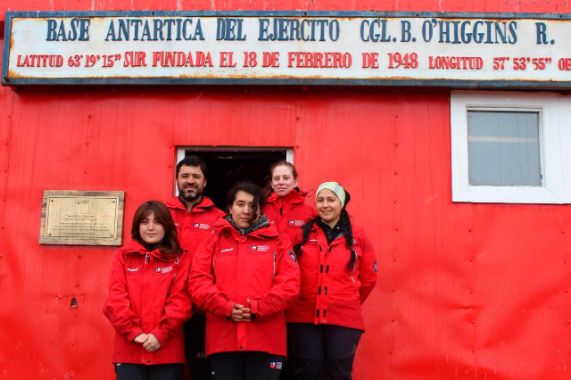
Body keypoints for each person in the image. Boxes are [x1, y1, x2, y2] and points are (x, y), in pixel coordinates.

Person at [190, 182, 300, 380]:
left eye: (252, 205)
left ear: (260, 208)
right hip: (223, 339)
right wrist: (225, 307)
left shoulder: (279, 241)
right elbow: (198, 281)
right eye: (241, 204)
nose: (246, 210)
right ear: (230, 207)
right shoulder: (213, 240)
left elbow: (290, 284)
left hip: (266, 340)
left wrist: (258, 308)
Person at [286, 182, 377, 380]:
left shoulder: (358, 236)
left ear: (341, 204)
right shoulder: (302, 234)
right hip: (303, 317)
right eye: (320, 200)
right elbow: (287, 272)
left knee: (339, 373)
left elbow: (369, 277)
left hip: (344, 317)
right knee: (308, 371)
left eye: (330, 200)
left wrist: (346, 300)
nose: (325, 205)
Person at [103, 201, 192, 380]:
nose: (150, 227)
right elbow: (115, 299)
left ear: (166, 226)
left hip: (167, 351)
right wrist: (134, 333)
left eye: (157, 222)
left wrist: (160, 335)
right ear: (137, 226)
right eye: (144, 222)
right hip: (129, 350)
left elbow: (181, 301)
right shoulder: (123, 256)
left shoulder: (181, 258)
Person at [166, 155, 225, 380]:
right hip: (167, 303)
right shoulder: (163, 214)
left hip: (201, 306)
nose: (190, 181)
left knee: (200, 366)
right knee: (169, 368)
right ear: (177, 180)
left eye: (196, 176)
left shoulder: (219, 218)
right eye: (185, 176)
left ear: (205, 182)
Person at [263, 161, 315, 246]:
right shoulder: (261, 210)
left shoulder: (310, 212)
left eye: (286, 178)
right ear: (272, 184)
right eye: (276, 179)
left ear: (295, 182)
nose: (281, 182)